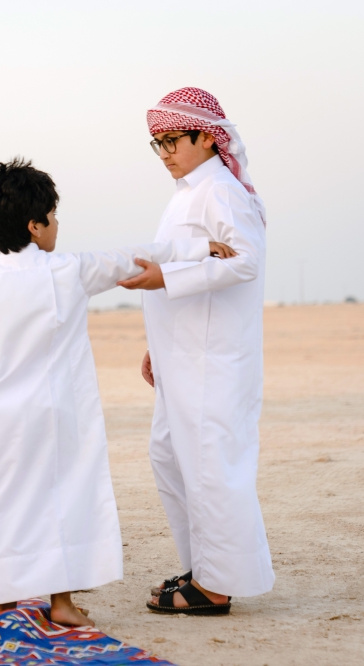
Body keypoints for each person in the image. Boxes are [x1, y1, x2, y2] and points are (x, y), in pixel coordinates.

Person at [0, 158, 235, 625]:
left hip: (2, 421)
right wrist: (197, 248)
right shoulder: (69, 269)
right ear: (35, 225)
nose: (57, 224)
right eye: (52, 214)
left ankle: (3, 604)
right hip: (60, 415)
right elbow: (136, 255)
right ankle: (61, 604)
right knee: (62, 501)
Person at [134, 87, 274, 615]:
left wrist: (164, 277)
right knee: (172, 459)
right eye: (157, 144)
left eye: (173, 140)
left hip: (212, 358)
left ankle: (216, 587)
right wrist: (156, 344)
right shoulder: (188, 192)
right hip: (181, 354)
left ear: (207, 138)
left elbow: (245, 262)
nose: (165, 152)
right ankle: (205, 567)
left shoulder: (220, 190)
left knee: (212, 465)